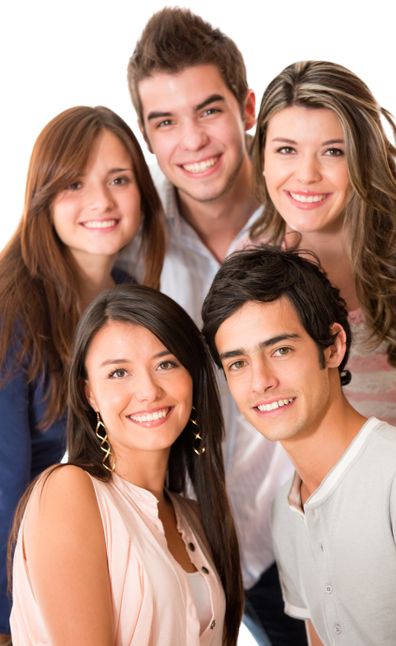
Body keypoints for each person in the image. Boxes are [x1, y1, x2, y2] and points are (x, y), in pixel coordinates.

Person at [120, 8, 304, 645]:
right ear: (146, 134)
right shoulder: (131, 249)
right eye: (164, 121)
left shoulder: (307, 211)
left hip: (312, 528)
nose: (191, 141)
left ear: (247, 107)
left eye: (208, 110)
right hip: (200, 545)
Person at [201, 245, 396, 646]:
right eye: (238, 363)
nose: (260, 381)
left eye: (280, 350)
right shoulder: (286, 513)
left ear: (333, 346)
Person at [0, 105, 165, 643]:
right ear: (43, 196)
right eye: (74, 182)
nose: (102, 201)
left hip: (106, 584)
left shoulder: (130, 303)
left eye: (119, 179)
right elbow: (5, 491)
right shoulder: (9, 314)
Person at [9, 284, 243, 645]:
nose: (148, 391)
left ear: (192, 377)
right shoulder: (68, 492)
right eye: (119, 373)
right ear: (90, 394)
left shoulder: (198, 517)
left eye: (166, 364)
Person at [250, 60, 396, 445]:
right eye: (287, 149)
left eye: (333, 152)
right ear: (262, 160)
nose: (306, 174)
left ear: (363, 158)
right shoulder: (261, 260)